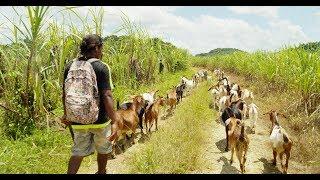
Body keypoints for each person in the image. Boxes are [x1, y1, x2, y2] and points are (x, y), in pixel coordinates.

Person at [61, 34, 118, 174]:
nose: (102, 51)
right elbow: (107, 95)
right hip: (100, 120)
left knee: (78, 152)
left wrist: (67, 115)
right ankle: (101, 172)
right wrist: (115, 120)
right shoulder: (101, 67)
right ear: (97, 48)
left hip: (77, 119)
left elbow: (65, 93)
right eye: (101, 48)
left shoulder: (70, 66)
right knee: (103, 149)